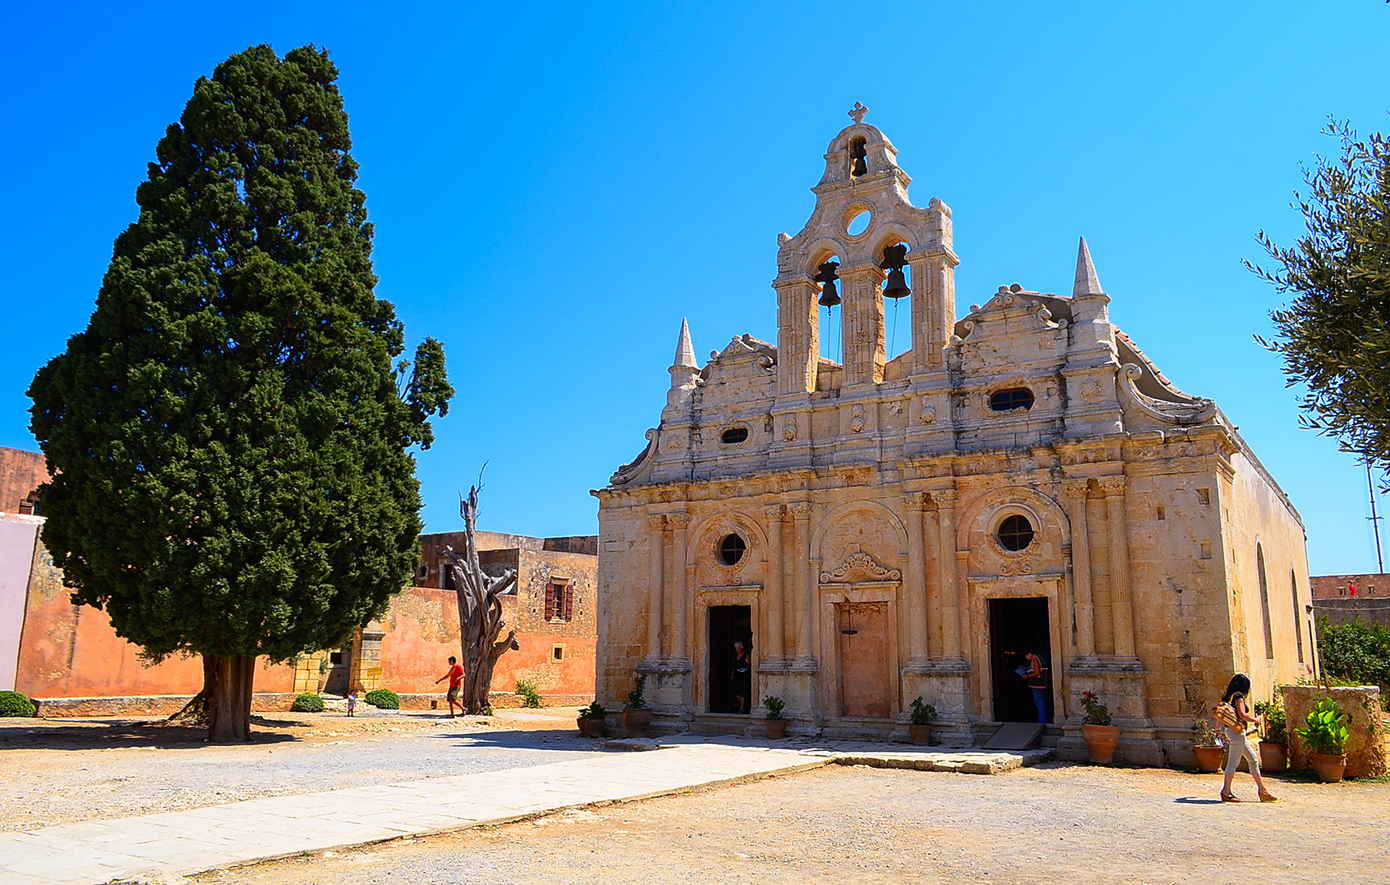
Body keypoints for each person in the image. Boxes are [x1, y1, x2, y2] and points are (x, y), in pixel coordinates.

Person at [1219, 673, 1278, 803]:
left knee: (1253, 760)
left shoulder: (1227, 696)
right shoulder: (1238, 696)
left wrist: (1218, 729)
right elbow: (1242, 714)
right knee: (1233, 762)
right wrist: (1255, 719)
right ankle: (1226, 791)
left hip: (1231, 731)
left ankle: (1262, 790)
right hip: (1237, 733)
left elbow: (1220, 714)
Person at [1020, 650, 1049, 724]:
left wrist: (1027, 676)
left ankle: (1042, 721)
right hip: (1043, 683)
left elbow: (1037, 672)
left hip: (1037, 684)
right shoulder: (1041, 657)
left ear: (1030, 653)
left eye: (1026, 656)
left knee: (1039, 702)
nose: (1026, 658)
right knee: (1043, 701)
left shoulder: (1035, 658)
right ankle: (1044, 719)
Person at [731, 640, 752, 714]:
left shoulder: (746, 655)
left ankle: (742, 707)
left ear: (741, 648)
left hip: (744, 675)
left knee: (743, 690)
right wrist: (732, 675)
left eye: (739, 648)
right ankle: (744, 705)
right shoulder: (735, 655)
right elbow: (734, 666)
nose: (737, 650)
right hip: (737, 675)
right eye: (736, 649)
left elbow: (751, 664)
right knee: (736, 691)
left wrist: (746, 668)